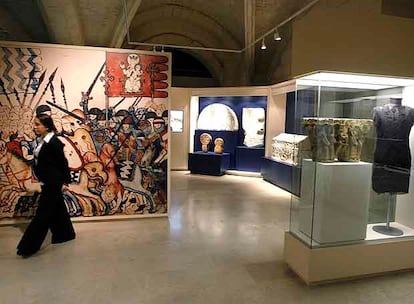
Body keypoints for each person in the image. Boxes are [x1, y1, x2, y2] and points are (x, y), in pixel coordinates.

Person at [17, 114, 75, 257]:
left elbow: (62, 163)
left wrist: (64, 181)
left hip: (52, 182)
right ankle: (65, 234)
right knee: (58, 209)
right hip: (47, 181)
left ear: (47, 126)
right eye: (35, 124)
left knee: (42, 215)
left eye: (38, 124)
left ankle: (27, 247)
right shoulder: (43, 141)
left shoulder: (54, 142)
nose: (34, 127)